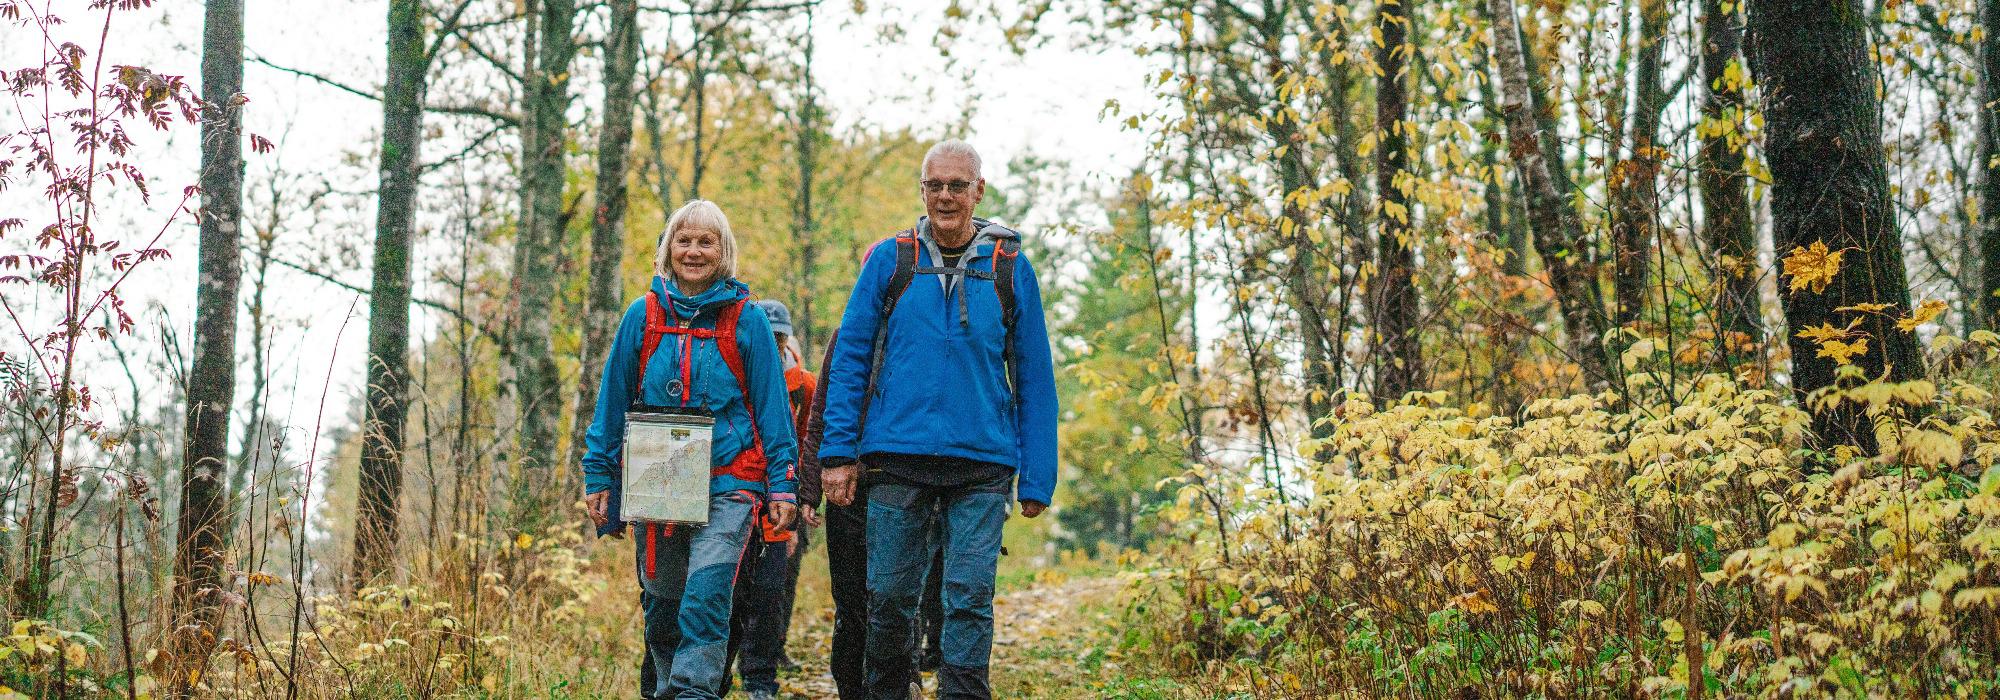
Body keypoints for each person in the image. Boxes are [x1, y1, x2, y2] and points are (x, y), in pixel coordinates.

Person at [818, 139, 1060, 699]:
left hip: (981, 463)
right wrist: (836, 455)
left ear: (979, 191)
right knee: (889, 601)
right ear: (921, 190)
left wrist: (1038, 473)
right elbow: (851, 358)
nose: (945, 196)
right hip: (895, 459)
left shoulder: (1009, 267)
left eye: (957, 185)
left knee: (969, 600)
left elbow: (1033, 376)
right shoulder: (890, 259)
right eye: (935, 185)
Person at [579, 199, 799, 700]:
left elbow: (773, 412)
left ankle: (696, 692)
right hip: (657, 483)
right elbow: (611, 403)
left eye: (706, 242)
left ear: (724, 252)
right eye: (684, 240)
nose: (694, 251)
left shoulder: (748, 321)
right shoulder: (642, 316)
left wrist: (783, 484)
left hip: (730, 483)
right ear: (668, 248)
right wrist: (599, 477)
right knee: (663, 609)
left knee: (705, 599)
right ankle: (668, 689)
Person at [802, 329, 944, 700]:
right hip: (849, 489)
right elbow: (821, 413)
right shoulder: (848, 335)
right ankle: (851, 687)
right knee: (851, 603)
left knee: (897, 598)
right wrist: (809, 489)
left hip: (908, 486)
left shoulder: (928, 332)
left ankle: (901, 684)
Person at [725, 300, 818, 700]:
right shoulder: (730, 368)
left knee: (771, 590)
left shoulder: (803, 384)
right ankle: (718, 676)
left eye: (779, 334)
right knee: (727, 591)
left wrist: (799, 499)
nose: (773, 339)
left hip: (781, 493)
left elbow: (809, 440)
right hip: (735, 488)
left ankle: (762, 676)